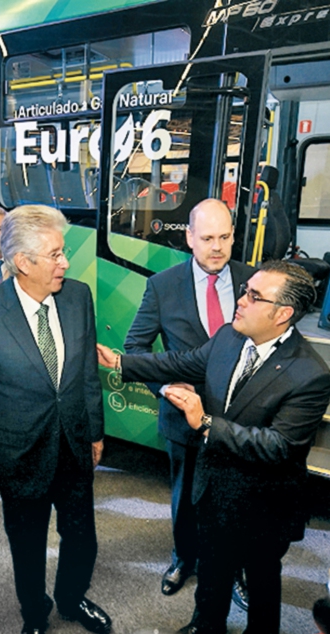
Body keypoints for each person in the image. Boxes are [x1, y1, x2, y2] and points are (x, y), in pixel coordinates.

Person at [98, 260, 330, 634]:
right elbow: (180, 363)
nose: (240, 300)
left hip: (265, 501)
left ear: (283, 314)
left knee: (261, 577)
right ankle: (207, 623)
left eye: (253, 296)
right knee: (212, 564)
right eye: (245, 291)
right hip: (214, 485)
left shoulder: (311, 374)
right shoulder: (228, 336)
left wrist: (204, 422)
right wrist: (121, 362)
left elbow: (279, 446)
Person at [0, 205, 110, 634]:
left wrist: (96, 433)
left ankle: (72, 598)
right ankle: (34, 615)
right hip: (19, 453)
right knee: (27, 543)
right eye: (56, 255)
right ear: (23, 262)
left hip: (75, 444)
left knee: (82, 535)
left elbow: (85, 376)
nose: (65, 263)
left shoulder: (78, 296)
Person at [124, 198, 255, 597]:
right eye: (208, 238)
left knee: (239, 498)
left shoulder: (255, 280)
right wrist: (164, 388)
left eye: (225, 237)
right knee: (185, 498)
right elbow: (135, 350)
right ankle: (184, 559)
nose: (217, 247)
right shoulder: (162, 287)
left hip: (243, 417)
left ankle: (235, 568)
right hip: (184, 418)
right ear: (189, 238)